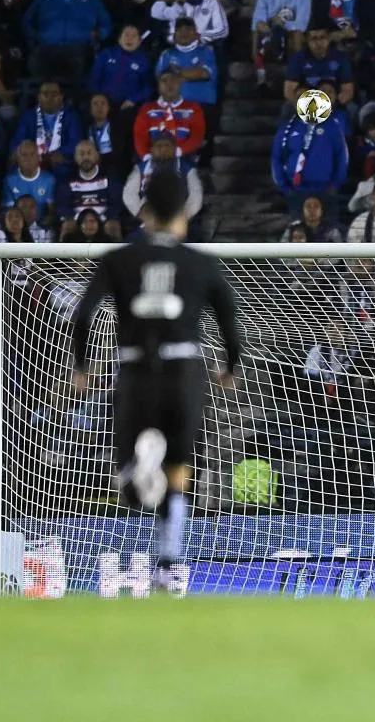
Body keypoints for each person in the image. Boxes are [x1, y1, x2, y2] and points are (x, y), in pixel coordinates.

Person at [70, 170, 241, 592]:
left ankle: (134, 469)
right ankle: (168, 561)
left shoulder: (118, 259)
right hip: (183, 372)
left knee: (130, 470)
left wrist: (82, 366)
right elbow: (229, 317)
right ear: (184, 213)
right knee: (178, 467)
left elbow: (83, 314)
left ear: (145, 213)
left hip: (135, 370)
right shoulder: (199, 262)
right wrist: (231, 365)